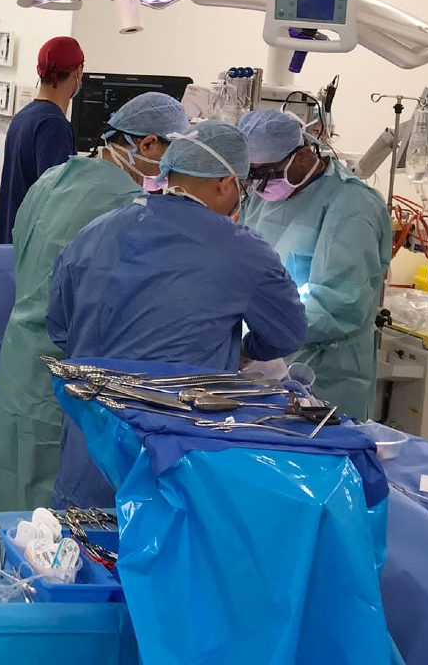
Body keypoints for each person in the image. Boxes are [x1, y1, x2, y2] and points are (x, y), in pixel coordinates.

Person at [45, 120, 308, 507]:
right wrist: (243, 351)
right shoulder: (241, 249)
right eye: (243, 184)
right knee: (164, 556)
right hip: (170, 456)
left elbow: (60, 328)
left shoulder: (95, 231)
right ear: (225, 183)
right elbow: (287, 333)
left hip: (92, 449)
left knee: (80, 560)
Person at [0, 91, 190, 512]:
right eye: (173, 154)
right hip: (63, 377)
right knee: (39, 520)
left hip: (18, 364)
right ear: (147, 145)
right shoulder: (127, 209)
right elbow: (114, 312)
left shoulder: (52, 180)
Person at [240, 109, 393, 419]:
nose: (257, 185)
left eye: (265, 173)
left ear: (302, 156)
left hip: (324, 370)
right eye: (250, 175)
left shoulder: (352, 206)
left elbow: (340, 305)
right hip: (265, 361)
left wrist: (260, 339)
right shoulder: (262, 195)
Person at [0, 36, 83, 243]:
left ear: (39, 70)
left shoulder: (24, 117)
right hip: (32, 251)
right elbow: (57, 202)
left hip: (12, 244)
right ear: (78, 72)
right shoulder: (54, 126)